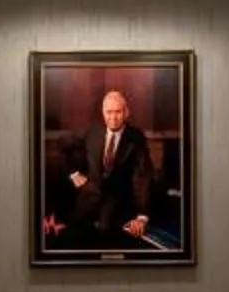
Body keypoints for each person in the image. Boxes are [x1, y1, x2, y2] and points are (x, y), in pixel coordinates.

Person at [46, 86, 158, 251]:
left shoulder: (135, 137)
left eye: (118, 112)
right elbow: (61, 145)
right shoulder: (92, 131)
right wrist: (73, 173)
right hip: (86, 201)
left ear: (127, 113)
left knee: (107, 242)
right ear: (103, 113)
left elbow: (142, 176)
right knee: (64, 240)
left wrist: (142, 216)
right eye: (109, 112)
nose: (113, 117)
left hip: (116, 207)